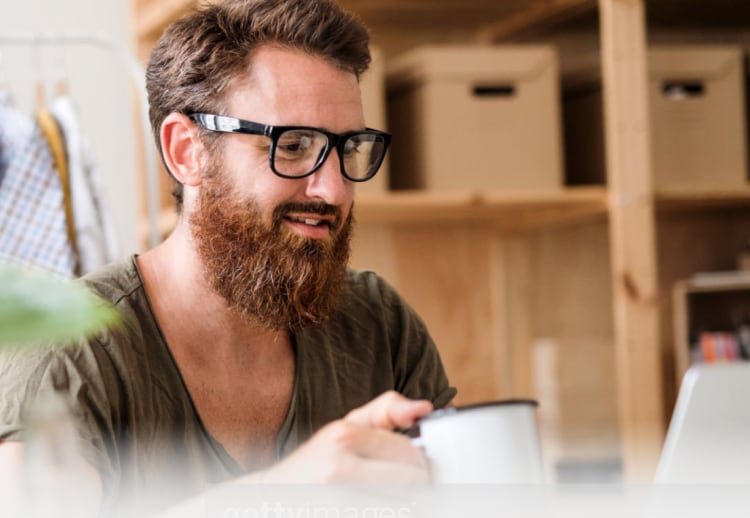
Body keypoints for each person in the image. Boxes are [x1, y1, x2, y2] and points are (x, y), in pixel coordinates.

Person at [0, 0, 456, 515]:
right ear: (185, 151)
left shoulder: (380, 327)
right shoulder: (67, 352)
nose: (333, 189)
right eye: (293, 145)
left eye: (348, 148)